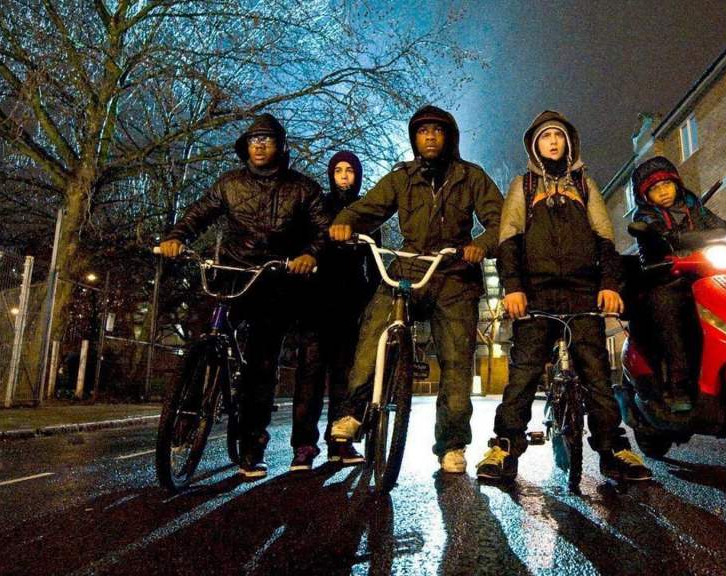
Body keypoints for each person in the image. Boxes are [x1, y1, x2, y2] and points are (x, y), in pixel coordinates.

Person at [475, 110, 653, 483]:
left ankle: (614, 449)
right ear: (535, 146)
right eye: (545, 137)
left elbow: (605, 239)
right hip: (535, 296)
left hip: (582, 294)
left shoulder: (585, 185)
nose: (553, 142)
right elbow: (508, 240)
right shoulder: (522, 187)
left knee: (597, 378)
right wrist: (513, 289)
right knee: (522, 377)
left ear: (569, 143)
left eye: (558, 136)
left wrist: (608, 285)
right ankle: (504, 447)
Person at [327, 105, 503, 474]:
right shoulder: (401, 178)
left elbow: (499, 220)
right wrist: (345, 221)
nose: (430, 137)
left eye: (437, 131)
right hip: (408, 264)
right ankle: (353, 412)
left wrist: (481, 244)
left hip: (454, 272)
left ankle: (452, 444)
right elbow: (366, 209)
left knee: (456, 358)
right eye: (423, 131)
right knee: (374, 328)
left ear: (449, 136)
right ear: (414, 138)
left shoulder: (472, 177)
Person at [158, 113, 328, 478]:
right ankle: (186, 413)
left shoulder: (304, 188)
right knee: (202, 336)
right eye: (255, 139)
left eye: (268, 139)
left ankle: (252, 444)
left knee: (261, 365)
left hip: (275, 280)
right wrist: (177, 237)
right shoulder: (229, 184)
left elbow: (321, 230)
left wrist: (309, 255)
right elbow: (199, 213)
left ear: (281, 146)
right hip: (231, 275)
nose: (261, 144)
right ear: (246, 146)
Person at [629, 155, 726, 412]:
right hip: (668, 279)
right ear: (645, 195)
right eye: (654, 188)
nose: (662, 192)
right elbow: (654, 239)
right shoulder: (647, 217)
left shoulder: (696, 208)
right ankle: (679, 383)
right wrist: (663, 242)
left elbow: (724, 227)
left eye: (666, 185)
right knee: (669, 312)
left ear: (677, 184)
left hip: (705, 277)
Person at [308, 151, 381, 468]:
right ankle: (304, 445)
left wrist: (373, 293)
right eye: (338, 170)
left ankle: (340, 443)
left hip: (351, 302)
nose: (344, 176)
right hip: (316, 297)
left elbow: (374, 259)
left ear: (358, 175)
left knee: (344, 377)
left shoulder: (366, 212)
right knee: (309, 375)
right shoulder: (318, 206)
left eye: (349, 170)